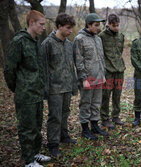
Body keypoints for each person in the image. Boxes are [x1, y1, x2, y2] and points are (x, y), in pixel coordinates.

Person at [4, 10, 51, 167]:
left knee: (37, 126)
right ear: (31, 23)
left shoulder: (35, 41)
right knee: (27, 128)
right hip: (25, 93)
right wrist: (18, 88)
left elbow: (38, 67)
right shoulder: (19, 42)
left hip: (37, 92)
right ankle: (28, 160)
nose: (44, 27)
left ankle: (35, 153)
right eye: (41, 24)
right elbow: (9, 69)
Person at [41, 13, 77, 158]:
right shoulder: (47, 44)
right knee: (54, 116)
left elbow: (71, 66)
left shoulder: (69, 44)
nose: (70, 31)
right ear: (59, 26)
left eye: (71, 28)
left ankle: (64, 136)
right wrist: (45, 89)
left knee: (65, 113)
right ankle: (53, 144)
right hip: (54, 88)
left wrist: (74, 85)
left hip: (67, 86)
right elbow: (43, 68)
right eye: (68, 28)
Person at [73, 13, 108, 140]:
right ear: (88, 25)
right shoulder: (79, 39)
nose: (99, 28)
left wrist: (103, 74)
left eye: (99, 25)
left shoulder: (98, 39)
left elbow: (101, 58)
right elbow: (78, 61)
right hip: (87, 78)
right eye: (96, 25)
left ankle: (94, 126)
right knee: (86, 103)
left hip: (98, 76)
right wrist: (83, 79)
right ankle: (85, 129)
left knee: (96, 103)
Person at [99, 13, 126, 129]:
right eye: (114, 25)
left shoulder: (121, 36)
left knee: (117, 95)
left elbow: (120, 52)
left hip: (119, 70)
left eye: (118, 25)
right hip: (108, 71)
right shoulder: (101, 36)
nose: (116, 28)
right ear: (108, 24)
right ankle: (104, 118)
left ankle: (116, 116)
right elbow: (100, 55)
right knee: (105, 95)